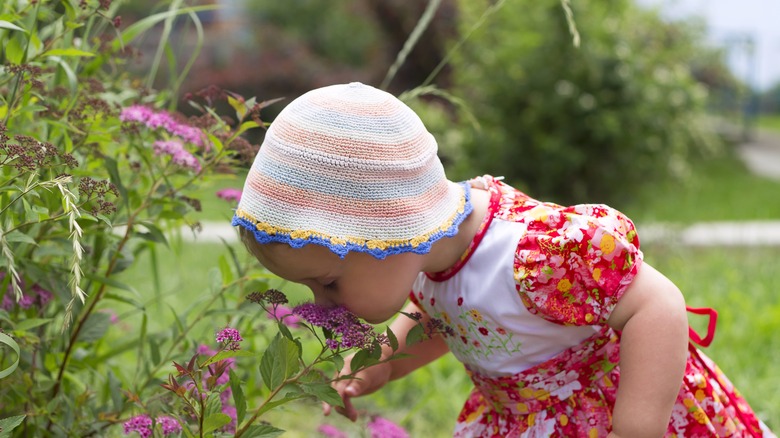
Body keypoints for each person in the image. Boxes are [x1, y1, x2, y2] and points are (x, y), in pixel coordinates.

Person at [232, 82, 775, 437]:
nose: (320, 304)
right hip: (523, 418)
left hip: (612, 410)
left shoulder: (532, 253)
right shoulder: (425, 255)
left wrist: (638, 424)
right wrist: (384, 361)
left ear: (389, 231)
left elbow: (658, 305)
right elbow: (445, 315)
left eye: (327, 282)